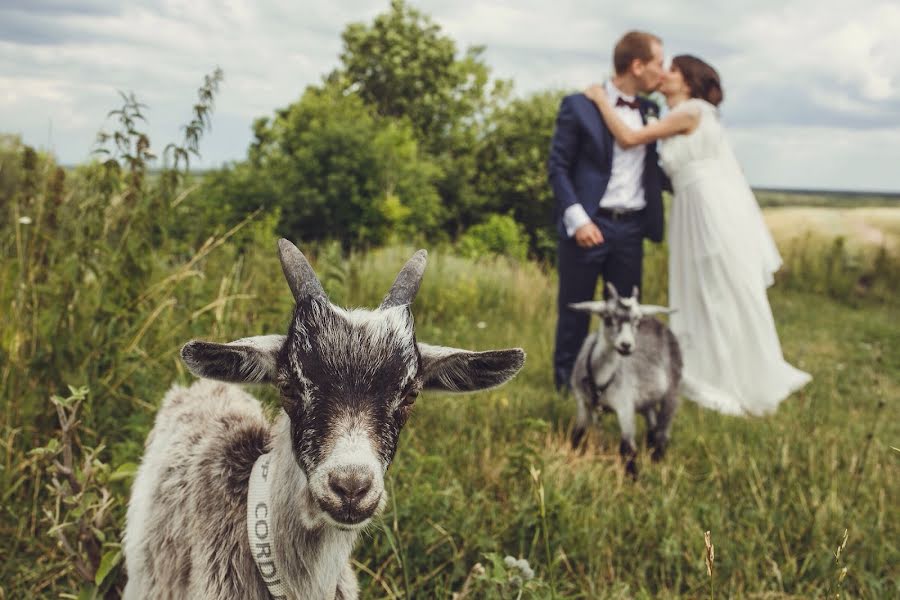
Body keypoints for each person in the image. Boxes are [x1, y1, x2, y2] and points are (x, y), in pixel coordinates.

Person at [585, 55, 811, 415]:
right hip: (690, 209)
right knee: (700, 289)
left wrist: (599, 99)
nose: (665, 74)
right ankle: (708, 368)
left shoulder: (693, 111)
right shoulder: (686, 116)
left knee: (718, 288)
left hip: (707, 210)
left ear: (688, 81)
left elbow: (629, 138)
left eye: (672, 70)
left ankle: (732, 377)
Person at [548, 31, 668, 391]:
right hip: (589, 224)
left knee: (629, 315)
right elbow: (558, 167)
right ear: (637, 65)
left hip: (630, 230)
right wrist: (578, 219)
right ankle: (567, 390)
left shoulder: (651, 111)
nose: (661, 72)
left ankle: (622, 386)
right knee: (575, 313)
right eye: (658, 64)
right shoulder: (577, 105)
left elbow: (655, 169)